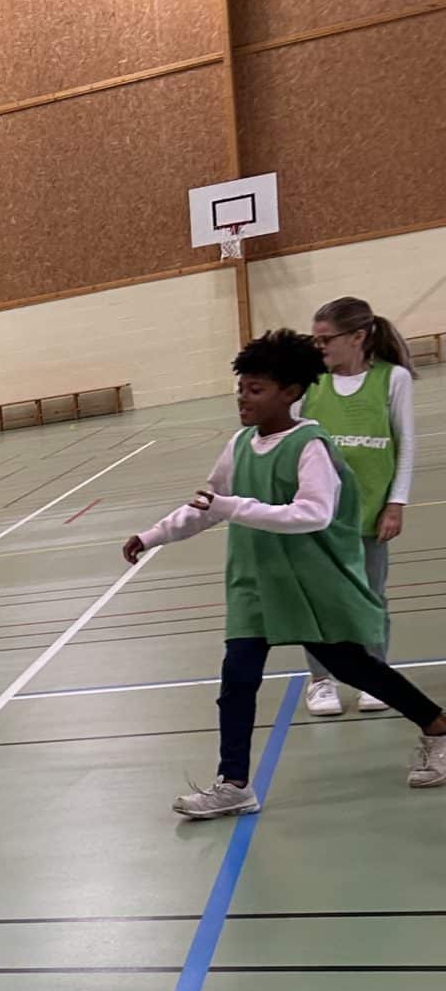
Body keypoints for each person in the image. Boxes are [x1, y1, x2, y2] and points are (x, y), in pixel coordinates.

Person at [123, 329, 446, 816]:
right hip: (255, 583)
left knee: (353, 667)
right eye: (241, 389)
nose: (243, 398)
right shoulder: (239, 444)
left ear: (291, 392)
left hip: (309, 582)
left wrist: (233, 506)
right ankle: (234, 783)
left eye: (256, 389)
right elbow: (208, 505)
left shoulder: (310, 445)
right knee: (238, 677)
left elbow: (312, 514)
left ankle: (437, 726)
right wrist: (152, 535)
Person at [301, 296, 419, 715]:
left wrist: (396, 503)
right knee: (320, 600)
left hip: (370, 512)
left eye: (326, 339)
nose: (319, 347)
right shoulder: (310, 381)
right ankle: (321, 679)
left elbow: (405, 444)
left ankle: (375, 675)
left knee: (371, 597)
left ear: (358, 336)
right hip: (318, 515)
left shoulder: (393, 379)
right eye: (314, 340)